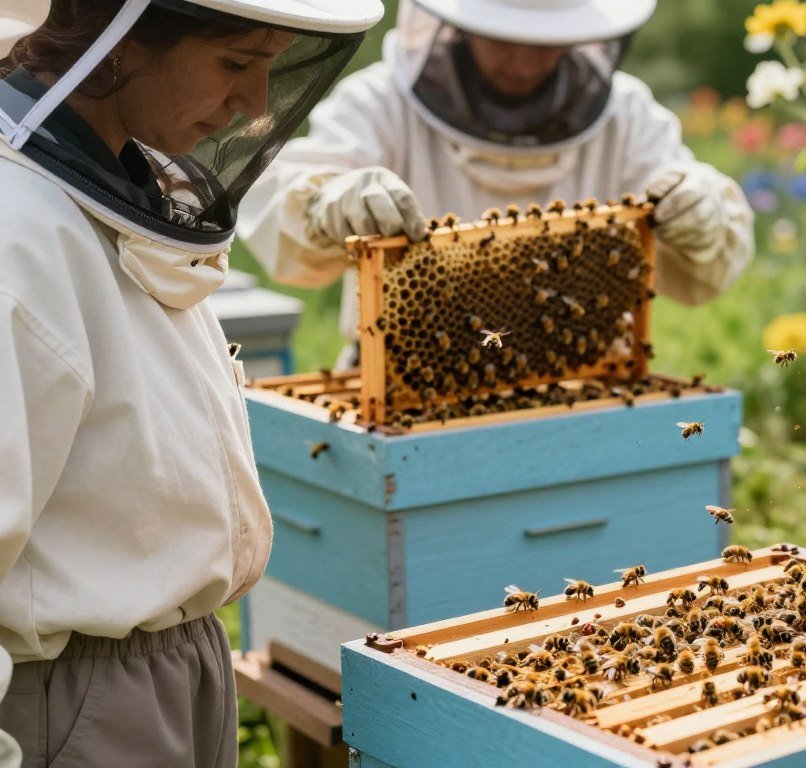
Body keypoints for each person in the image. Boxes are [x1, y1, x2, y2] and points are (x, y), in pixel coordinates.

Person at [0, 0, 381, 764]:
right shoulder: (18, 240)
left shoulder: (111, 189)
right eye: (237, 62)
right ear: (112, 42)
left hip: (164, 677)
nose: (256, 103)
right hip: (70, 702)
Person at [239, 0, 754, 367]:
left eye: (545, 43)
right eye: (505, 38)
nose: (523, 64)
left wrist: (699, 207)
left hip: (580, 381)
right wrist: (328, 202)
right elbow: (283, 215)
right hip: (405, 383)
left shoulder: (628, 115)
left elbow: (702, 271)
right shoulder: (380, 103)